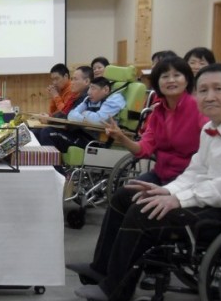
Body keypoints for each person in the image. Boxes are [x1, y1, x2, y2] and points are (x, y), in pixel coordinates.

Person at [74, 63, 221, 301]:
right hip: (211, 198)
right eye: (203, 90)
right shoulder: (211, 128)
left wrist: (179, 199)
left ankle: (115, 291)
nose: (210, 96)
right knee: (128, 196)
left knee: (144, 211)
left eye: (218, 89)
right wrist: (167, 191)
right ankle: (103, 270)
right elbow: (195, 172)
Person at [66, 56, 208, 283]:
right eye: (165, 76)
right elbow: (144, 149)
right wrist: (122, 138)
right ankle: (100, 267)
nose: (171, 80)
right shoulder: (158, 111)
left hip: (185, 179)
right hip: (161, 173)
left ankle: (127, 276)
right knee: (120, 196)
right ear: (157, 82)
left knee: (138, 207)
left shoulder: (198, 109)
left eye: (177, 75)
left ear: (187, 79)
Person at [35, 67, 98, 151]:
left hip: (84, 139)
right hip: (73, 134)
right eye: (72, 79)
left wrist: (49, 120)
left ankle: (52, 160)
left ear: (86, 81)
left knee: (47, 132)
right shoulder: (78, 96)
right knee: (37, 132)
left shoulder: (87, 98)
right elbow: (64, 112)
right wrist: (49, 117)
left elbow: (68, 116)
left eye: (75, 79)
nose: (72, 82)